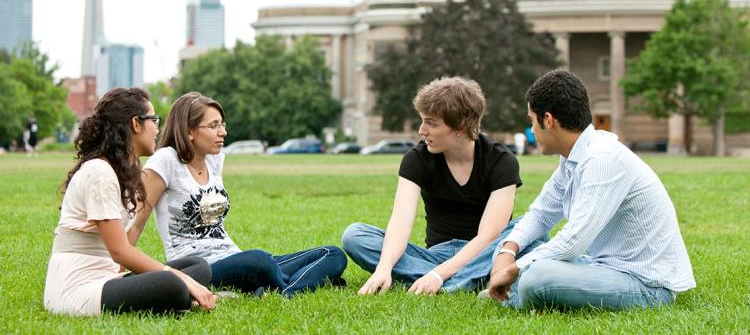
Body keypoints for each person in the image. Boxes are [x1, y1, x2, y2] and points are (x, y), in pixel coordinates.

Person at [487, 69, 695, 310]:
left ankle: (514, 292)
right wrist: (508, 250)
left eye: (532, 120)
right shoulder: (573, 157)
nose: (531, 130)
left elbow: (573, 242)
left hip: (645, 284)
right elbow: (541, 214)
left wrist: (515, 269)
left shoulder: (602, 158)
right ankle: (512, 285)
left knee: (536, 277)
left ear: (548, 120)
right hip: (599, 267)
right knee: (518, 239)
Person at [130, 92, 347, 297]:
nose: (222, 131)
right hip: (199, 269)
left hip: (234, 258)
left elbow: (217, 223)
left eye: (222, 124)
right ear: (189, 131)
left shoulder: (213, 160)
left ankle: (282, 288)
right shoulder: (166, 161)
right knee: (259, 261)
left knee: (332, 254)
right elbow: (136, 222)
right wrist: (117, 272)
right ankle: (298, 283)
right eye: (213, 126)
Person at [342, 76, 540, 295]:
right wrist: (384, 268)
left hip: (485, 253)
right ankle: (475, 280)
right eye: (423, 120)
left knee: (534, 229)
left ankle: (449, 281)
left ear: (461, 126)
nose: (421, 130)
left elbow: (489, 235)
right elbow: (400, 221)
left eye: (431, 123)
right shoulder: (416, 159)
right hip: (435, 255)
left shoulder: (501, 160)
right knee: (355, 235)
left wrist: (437, 275)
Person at [44, 88, 217, 316]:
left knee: (198, 266)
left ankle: (181, 296)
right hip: (78, 287)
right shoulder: (99, 172)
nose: (157, 128)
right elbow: (120, 251)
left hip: (108, 277)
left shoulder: (122, 172)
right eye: (153, 120)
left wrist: (175, 276)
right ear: (136, 124)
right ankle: (181, 296)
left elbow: (119, 258)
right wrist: (177, 278)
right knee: (173, 283)